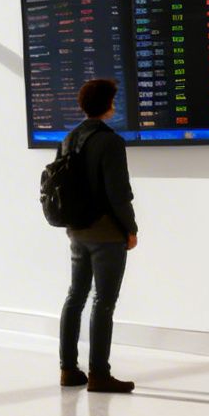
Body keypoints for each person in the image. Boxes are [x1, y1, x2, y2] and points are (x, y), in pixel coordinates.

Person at [57, 78, 138, 393]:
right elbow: (119, 194)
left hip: (76, 230)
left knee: (75, 297)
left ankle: (68, 369)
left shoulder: (69, 139)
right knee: (103, 301)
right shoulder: (111, 142)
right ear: (107, 104)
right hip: (106, 232)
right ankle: (99, 374)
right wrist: (130, 229)